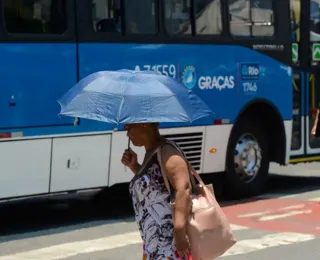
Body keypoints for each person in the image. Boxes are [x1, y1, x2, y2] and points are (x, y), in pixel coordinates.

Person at [121, 122, 192, 260]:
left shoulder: (167, 151)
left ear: (144, 124)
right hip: (154, 244)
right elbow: (155, 188)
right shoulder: (151, 152)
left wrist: (179, 232)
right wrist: (134, 166)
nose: (127, 132)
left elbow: (183, 188)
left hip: (169, 245)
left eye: (129, 127)